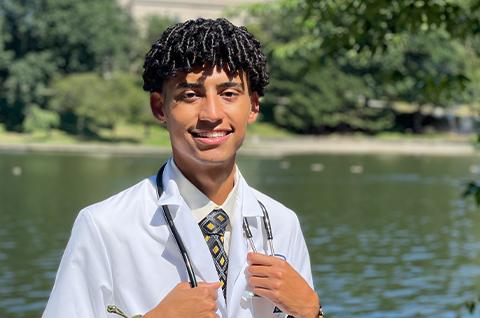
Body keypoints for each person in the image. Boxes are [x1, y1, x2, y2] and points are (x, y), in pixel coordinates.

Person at [43, 18, 322, 318]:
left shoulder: (281, 224)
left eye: (228, 94)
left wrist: (312, 312)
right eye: (190, 95)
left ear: (253, 106)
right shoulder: (104, 226)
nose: (212, 114)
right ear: (159, 108)